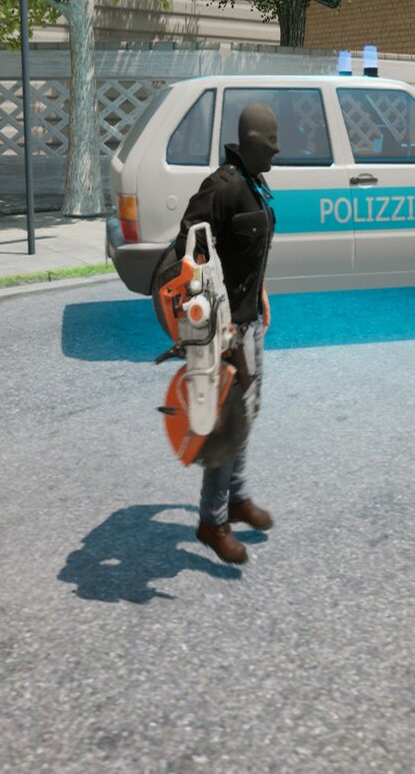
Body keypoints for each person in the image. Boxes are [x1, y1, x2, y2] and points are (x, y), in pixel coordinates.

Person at [173, 102, 279, 565]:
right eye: (270, 144)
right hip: (226, 330)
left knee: (246, 414)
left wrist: (261, 290)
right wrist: (217, 321)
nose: (276, 152)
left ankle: (235, 497)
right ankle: (212, 520)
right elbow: (188, 250)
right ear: (252, 144)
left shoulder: (254, 183)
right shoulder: (221, 189)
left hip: (250, 321)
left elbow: (248, 251)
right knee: (227, 421)